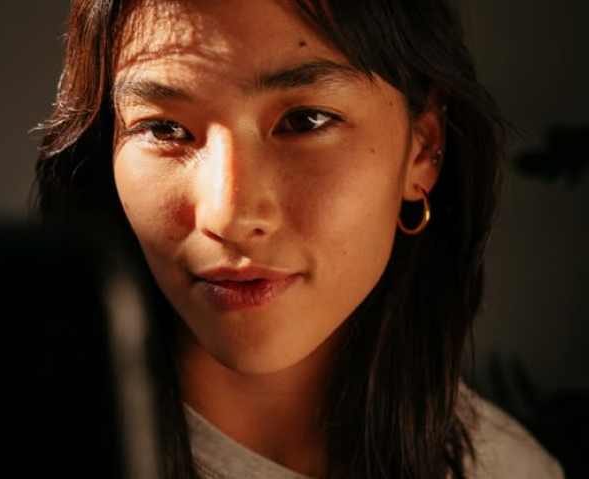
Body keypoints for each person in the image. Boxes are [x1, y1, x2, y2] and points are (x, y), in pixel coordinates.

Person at [33, 0, 564, 477]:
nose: (228, 216)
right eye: (163, 129)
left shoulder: (506, 469)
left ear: (423, 147)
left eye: (305, 121)